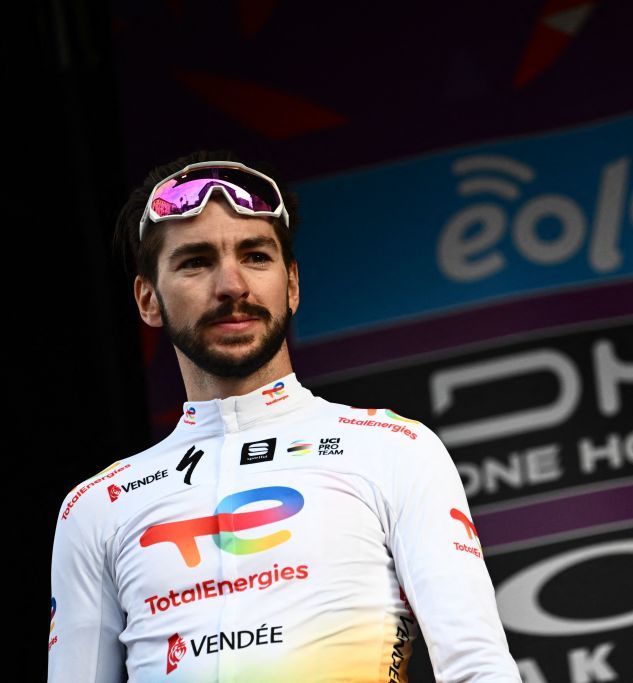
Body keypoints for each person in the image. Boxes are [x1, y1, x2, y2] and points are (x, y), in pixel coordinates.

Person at [48, 150, 522, 682]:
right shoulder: (95, 507)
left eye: (255, 256)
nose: (232, 286)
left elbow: (478, 669)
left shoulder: (394, 450)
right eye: (196, 261)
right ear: (148, 299)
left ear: (291, 285)